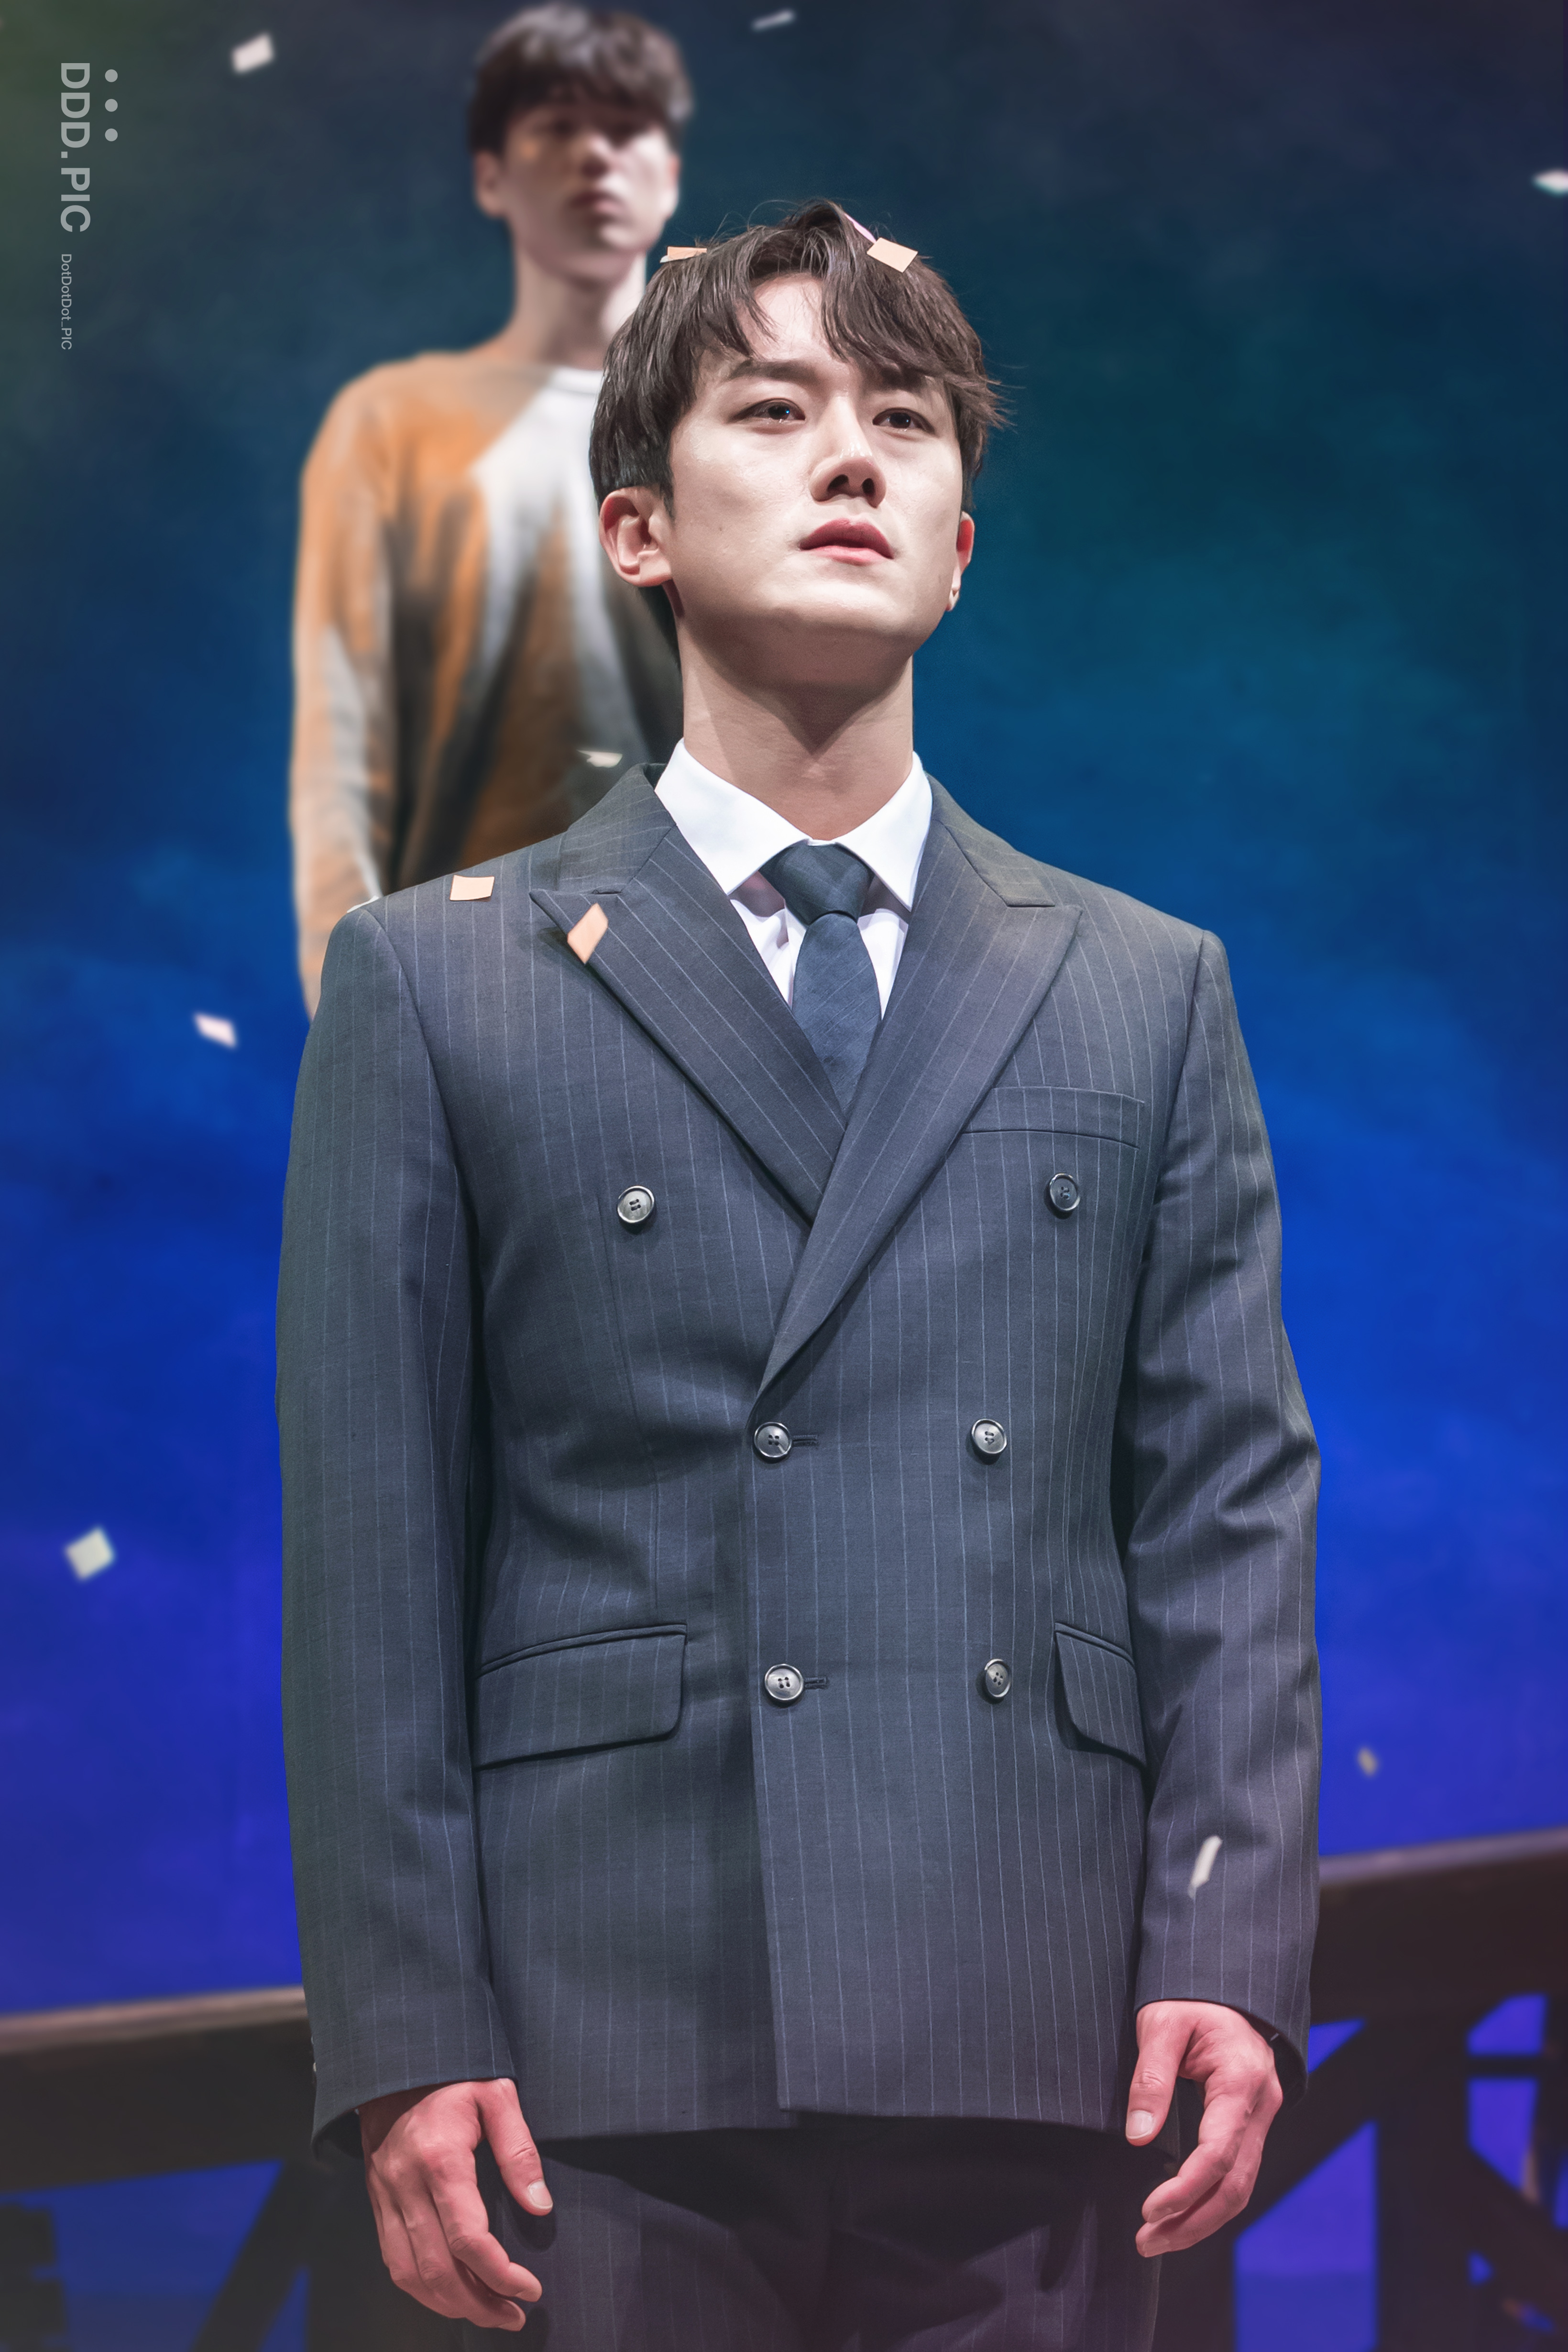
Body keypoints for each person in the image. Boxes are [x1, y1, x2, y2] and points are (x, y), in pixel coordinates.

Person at [278, 201, 1321, 2349]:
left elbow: (1224, 1512)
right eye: (775, 410)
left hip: (1038, 2017)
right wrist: (404, 2023)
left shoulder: (1143, 987)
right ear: (640, 530)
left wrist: (1228, 1952)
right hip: (604, 2035)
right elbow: (374, 1548)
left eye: (906, 420)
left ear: (961, 551)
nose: (854, 455)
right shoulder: (440, 980)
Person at [287, 3, 689, 1014]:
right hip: (453, 979)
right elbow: (343, 737)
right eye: (556, 126)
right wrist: (350, 997)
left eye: (626, 127)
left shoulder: (731, 425)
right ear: (491, 175)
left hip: (698, 977)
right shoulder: (393, 424)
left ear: (670, 172)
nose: (594, 156)